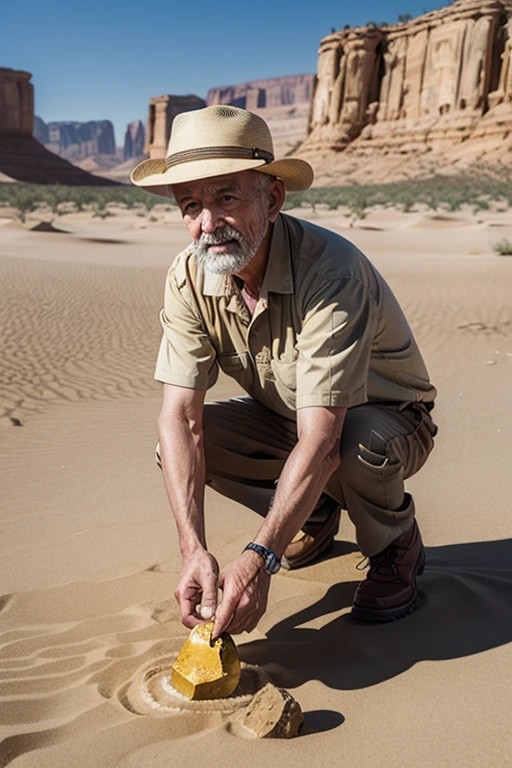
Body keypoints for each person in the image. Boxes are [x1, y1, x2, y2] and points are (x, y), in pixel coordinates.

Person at [131, 105, 438, 639]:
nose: (208, 225)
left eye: (226, 197)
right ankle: (312, 515)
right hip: (292, 419)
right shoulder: (188, 276)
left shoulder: (330, 270)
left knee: (357, 442)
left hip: (390, 420)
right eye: (191, 206)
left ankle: (395, 545)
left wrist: (260, 558)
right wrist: (193, 550)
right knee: (178, 443)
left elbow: (323, 438)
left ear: (272, 198)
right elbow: (180, 417)